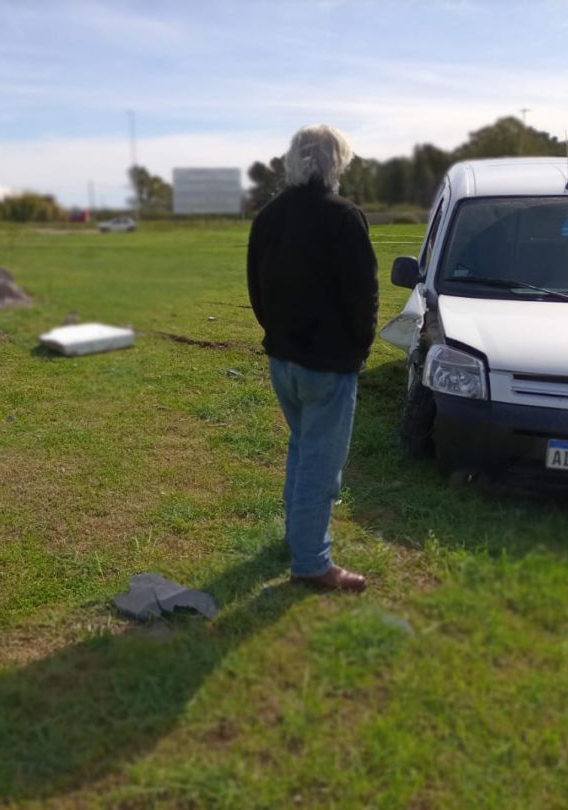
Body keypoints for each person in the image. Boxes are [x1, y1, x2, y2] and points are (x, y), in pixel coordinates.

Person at [246, 124, 379, 592]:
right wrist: (358, 349)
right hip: (328, 365)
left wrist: (277, 336)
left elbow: (256, 289)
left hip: (284, 361)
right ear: (337, 162)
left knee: (303, 449)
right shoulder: (344, 217)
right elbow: (363, 297)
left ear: (293, 160)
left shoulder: (269, 216)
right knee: (320, 466)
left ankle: (298, 538)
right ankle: (310, 562)